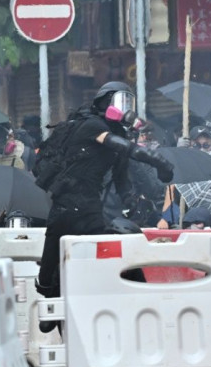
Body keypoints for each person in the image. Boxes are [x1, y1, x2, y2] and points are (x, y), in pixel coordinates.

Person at [35, 81, 174, 326]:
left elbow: (122, 179)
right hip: (67, 204)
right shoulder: (92, 126)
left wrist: (132, 202)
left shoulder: (118, 134)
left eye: (129, 102)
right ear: (105, 102)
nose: (126, 109)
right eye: (121, 101)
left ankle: (135, 305)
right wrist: (157, 161)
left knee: (109, 257)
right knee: (47, 272)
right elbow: (124, 147)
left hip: (91, 207)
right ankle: (49, 297)